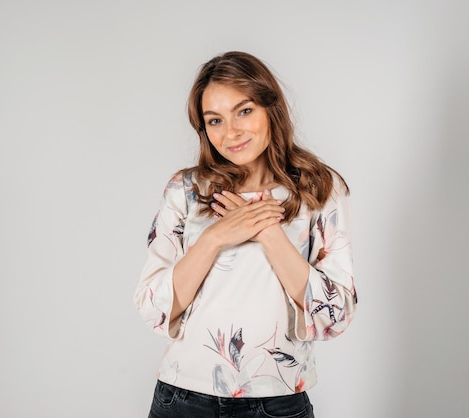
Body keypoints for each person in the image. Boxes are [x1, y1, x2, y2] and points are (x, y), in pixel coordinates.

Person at [133, 51, 357, 418]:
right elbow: (152, 306)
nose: (231, 132)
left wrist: (268, 231)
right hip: (181, 399)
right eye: (215, 120)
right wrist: (215, 238)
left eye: (245, 111)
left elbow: (335, 313)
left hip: (277, 402)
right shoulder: (187, 189)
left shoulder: (318, 188)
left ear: (271, 108)